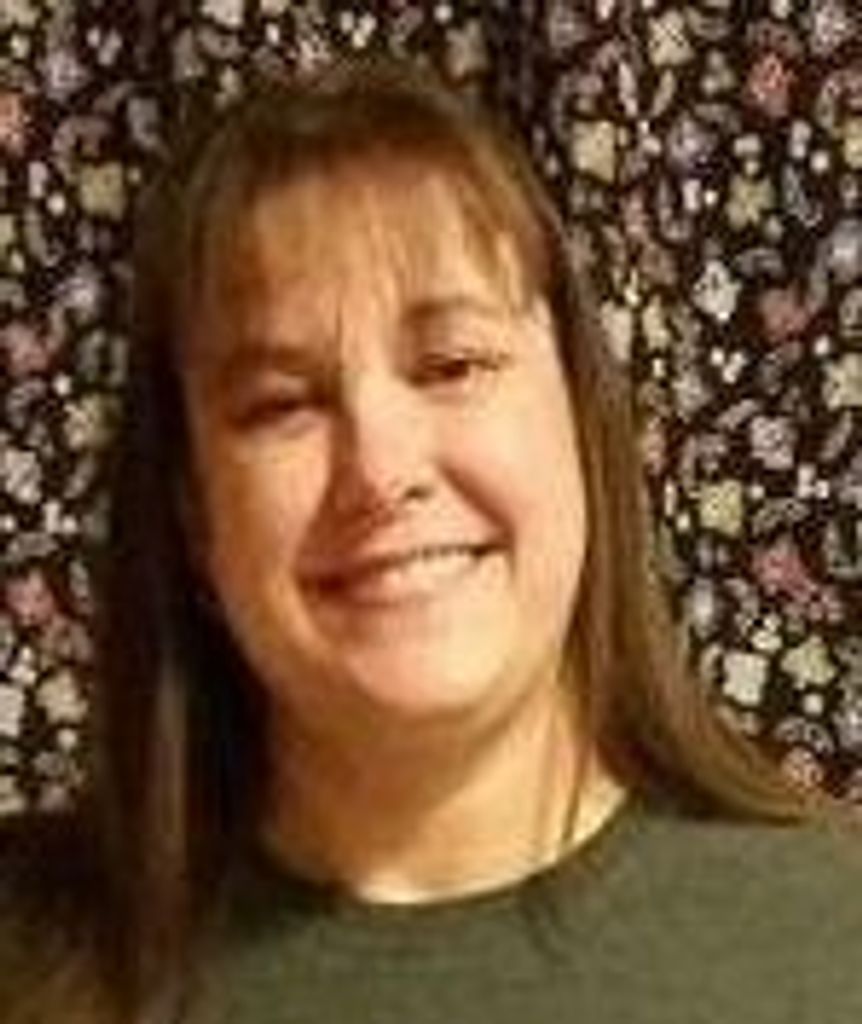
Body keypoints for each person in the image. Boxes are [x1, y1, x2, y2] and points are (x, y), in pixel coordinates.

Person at [1, 57, 861, 1024]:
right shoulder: (24, 951)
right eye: (283, 404)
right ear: (193, 514)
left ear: (584, 422)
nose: (380, 468)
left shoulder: (834, 944)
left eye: (453, 364)